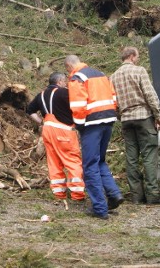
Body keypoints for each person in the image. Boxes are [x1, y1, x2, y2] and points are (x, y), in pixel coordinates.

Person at [65, 55, 123, 219]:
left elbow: (78, 106)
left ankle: (99, 208)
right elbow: (113, 97)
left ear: (70, 66)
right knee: (100, 161)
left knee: (90, 165)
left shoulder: (78, 78)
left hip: (91, 124)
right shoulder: (100, 74)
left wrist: (79, 125)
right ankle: (114, 194)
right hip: (108, 120)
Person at [110, 46, 160, 205]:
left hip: (126, 119)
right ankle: (153, 194)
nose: (138, 59)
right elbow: (149, 94)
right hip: (143, 117)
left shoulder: (112, 77)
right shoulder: (139, 71)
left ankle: (136, 196)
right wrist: (157, 114)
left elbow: (113, 102)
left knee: (131, 158)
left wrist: (121, 116)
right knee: (149, 155)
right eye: (137, 56)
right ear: (132, 56)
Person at [26, 72, 85, 202]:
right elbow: (78, 107)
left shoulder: (41, 95)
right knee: (72, 160)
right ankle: (77, 194)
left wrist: (41, 122)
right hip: (64, 131)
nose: (66, 84)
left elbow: (29, 110)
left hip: (47, 130)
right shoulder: (63, 92)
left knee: (54, 163)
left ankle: (59, 194)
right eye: (65, 82)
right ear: (59, 82)